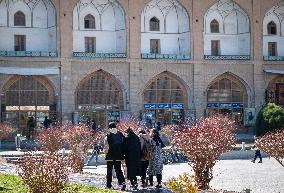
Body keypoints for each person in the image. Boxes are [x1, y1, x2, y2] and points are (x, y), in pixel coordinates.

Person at [104, 122, 126, 191]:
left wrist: (105, 154)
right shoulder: (120, 134)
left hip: (110, 156)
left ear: (110, 128)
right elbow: (124, 145)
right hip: (118, 155)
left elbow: (106, 146)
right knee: (118, 170)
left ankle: (108, 185)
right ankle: (122, 183)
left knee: (109, 171)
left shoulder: (108, 135)